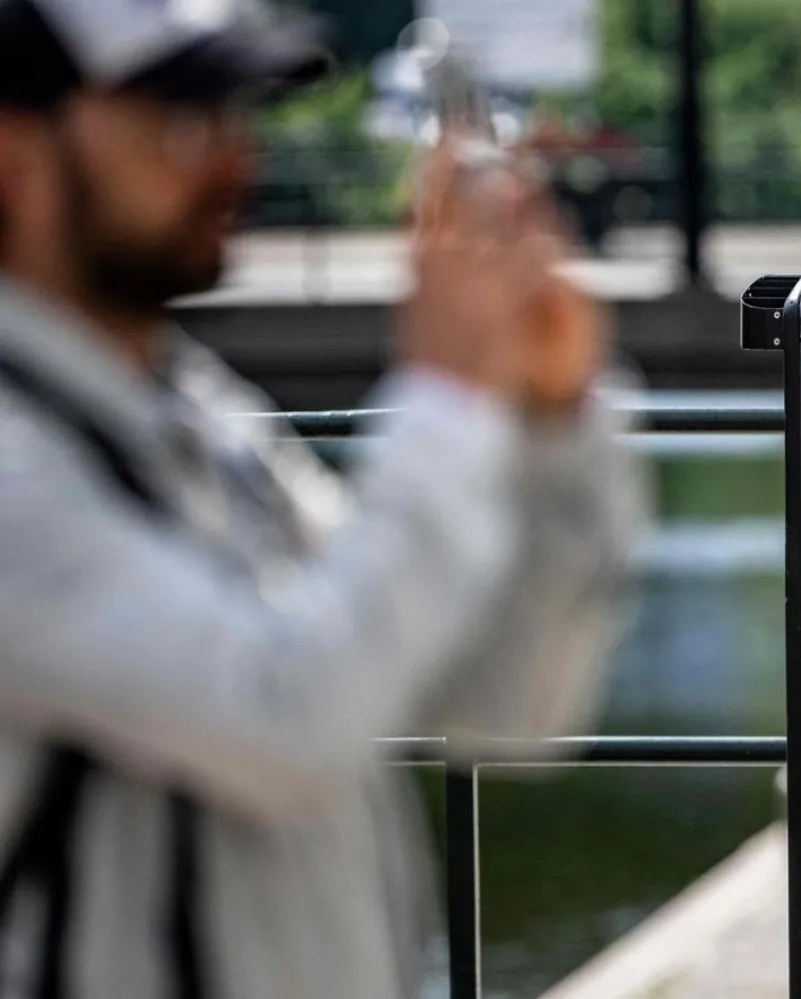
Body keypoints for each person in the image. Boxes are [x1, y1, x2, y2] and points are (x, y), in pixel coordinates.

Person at [0, 1, 642, 996]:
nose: (234, 161)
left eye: (237, 114)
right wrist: (446, 394)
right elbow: (287, 719)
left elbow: (500, 707)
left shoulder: (196, 412)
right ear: (13, 151)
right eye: (179, 118)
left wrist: (554, 422)